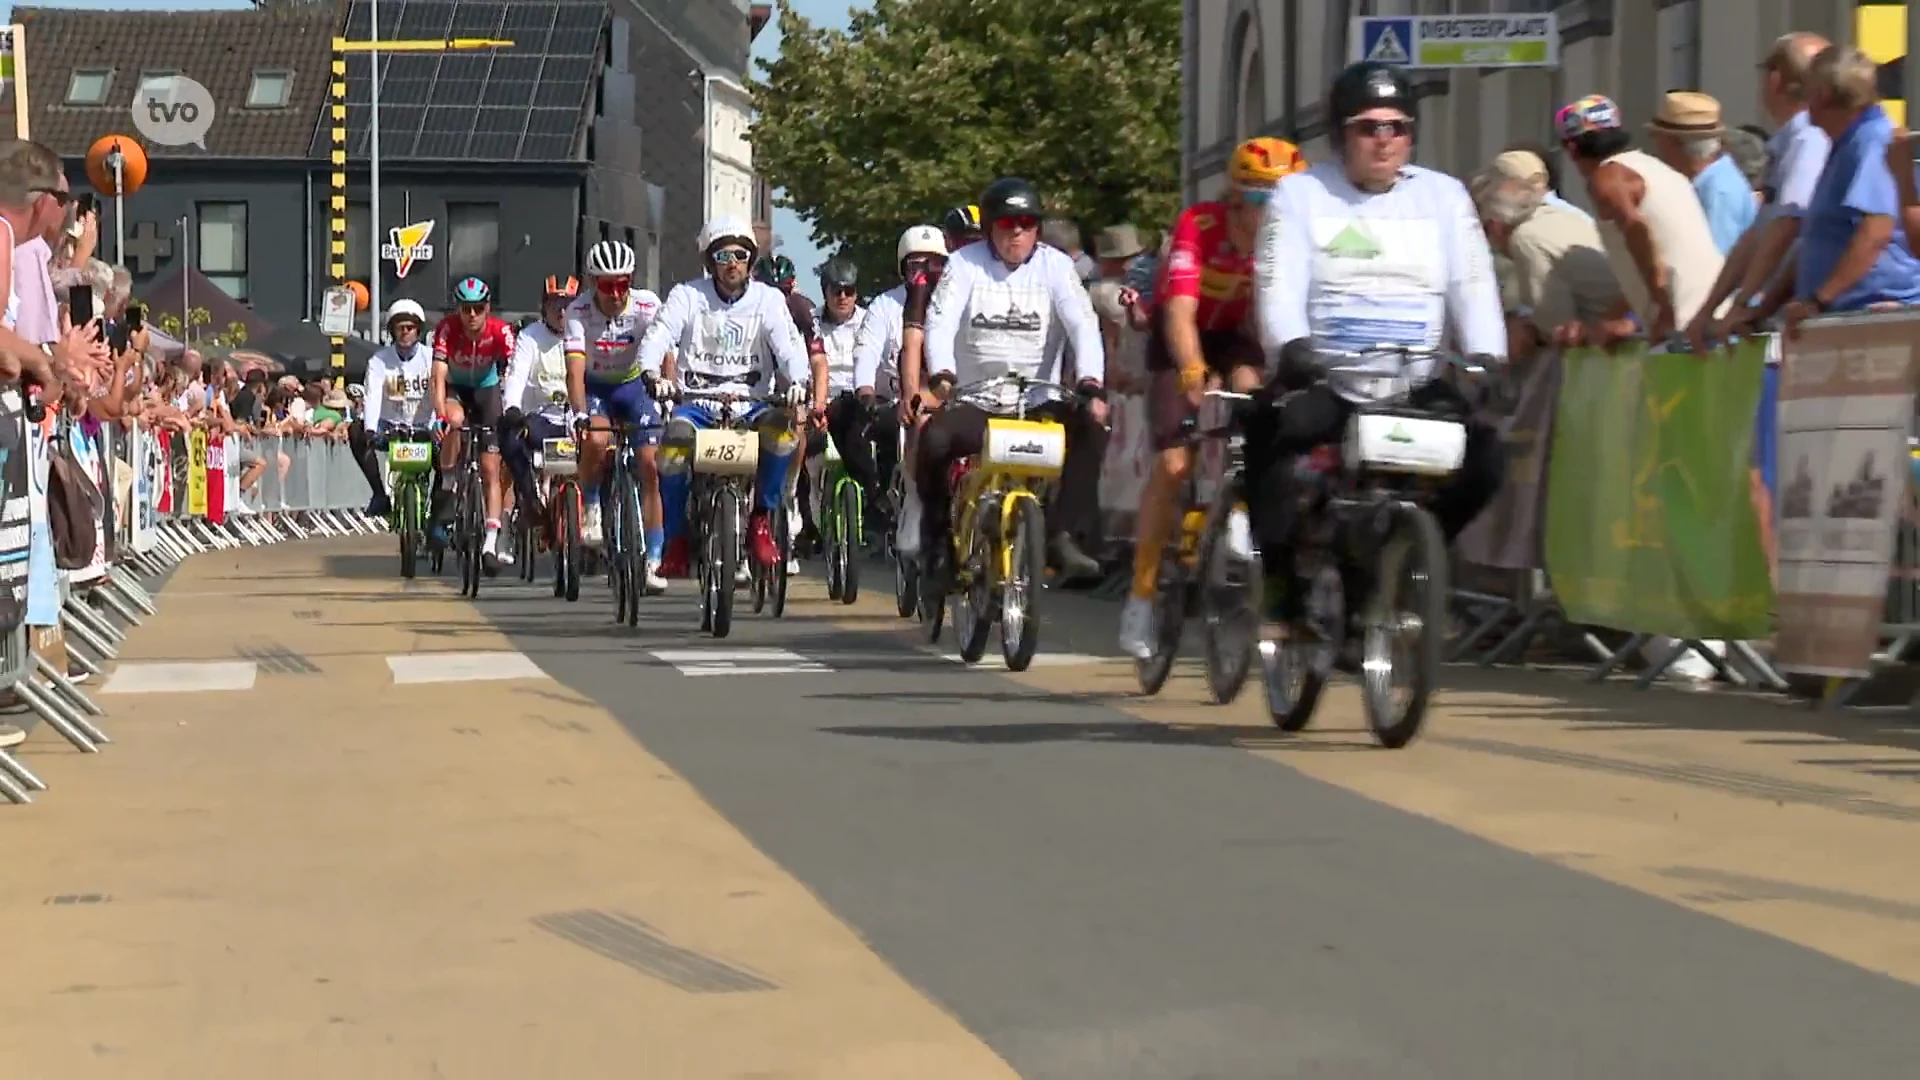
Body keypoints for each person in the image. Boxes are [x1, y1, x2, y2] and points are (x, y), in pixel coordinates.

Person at [1252, 61, 1506, 636]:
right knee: (1269, 438)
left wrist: (1489, 355)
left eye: (1398, 126)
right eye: (1369, 127)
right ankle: (1282, 592)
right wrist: (1290, 346)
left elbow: (1472, 282)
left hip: (1413, 378)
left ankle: (1411, 556)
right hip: (1329, 376)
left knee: (1486, 458)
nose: (1385, 139)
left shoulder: (1444, 197)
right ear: (1342, 133)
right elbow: (1277, 281)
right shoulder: (1300, 194)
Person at [1118, 136, 1306, 659]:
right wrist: (1192, 368)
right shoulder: (1200, 225)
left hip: (1240, 337)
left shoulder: (1294, 237)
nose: (1270, 212)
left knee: (1257, 401)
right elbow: (1178, 309)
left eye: (1282, 199)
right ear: (1235, 193)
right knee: (1175, 464)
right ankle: (1141, 594)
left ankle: (1240, 508)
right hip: (1184, 333)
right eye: (1260, 198)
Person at [913, 176, 1109, 585]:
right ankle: (936, 540)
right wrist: (943, 376)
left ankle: (1062, 534)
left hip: (1037, 400)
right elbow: (940, 321)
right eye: (1006, 224)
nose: (1016, 232)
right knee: (933, 440)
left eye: (1026, 223)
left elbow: (1083, 326)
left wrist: (1091, 383)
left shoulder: (1056, 266)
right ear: (990, 229)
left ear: (1037, 228)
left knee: (1092, 429)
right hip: (975, 399)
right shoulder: (965, 264)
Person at [638, 217, 818, 578]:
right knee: (672, 446)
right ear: (710, 262)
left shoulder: (769, 299)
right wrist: (651, 372)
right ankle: (675, 540)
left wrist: (799, 380)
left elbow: (789, 347)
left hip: (752, 404)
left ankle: (761, 521)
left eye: (740, 254)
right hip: (697, 403)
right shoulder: (687, 296)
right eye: (722, 255)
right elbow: (659, 335)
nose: (732, 262)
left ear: (751, 260)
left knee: (783, 434)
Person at [1687, 31, 1833, 349]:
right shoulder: (1788, 143)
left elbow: (1788, 226)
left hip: (1800, 319)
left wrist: (1742, 304)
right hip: (1777, 315)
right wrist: (1711, 310)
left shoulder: (1808, 141)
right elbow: (1756, 235)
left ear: (1775, 79)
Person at [1556, 93, 1725, 345]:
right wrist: (1609, 320)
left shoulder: (1607, 179)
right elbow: (1650, 256)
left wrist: (1664, 309)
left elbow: (1638, 230)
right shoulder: (1655, 168)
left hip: (1685, 323)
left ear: (1571, 149)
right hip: (1714, 311)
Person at [1779, 44, 1920, 332]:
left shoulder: (1871, 141)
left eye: (1806, 89)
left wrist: (1819, 301)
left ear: (1823, 94)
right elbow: (1821, 239)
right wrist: (1768, 306)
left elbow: (1876, 230)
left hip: (1871, 316)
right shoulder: (1847, 144)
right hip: (1847, 316)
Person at [563, 243, 667, 591]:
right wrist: (579, 412)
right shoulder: (577, 310)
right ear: (593, 283)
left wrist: (668, 389)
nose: (615, 293)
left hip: (634, 385)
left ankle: (653, 557)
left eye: (622, 284)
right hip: (596, 387)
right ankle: (591, 502)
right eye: (607, 286)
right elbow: (574, 371)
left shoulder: (648, 305)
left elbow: (666, 352)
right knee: (596, 437)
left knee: (651, 466)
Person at [853, 225, 947, 543]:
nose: (922, 273)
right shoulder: (885, 306)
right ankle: (895, 503)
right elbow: (866, 350)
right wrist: (865, 389)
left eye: (932, 264)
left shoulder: (954, 302)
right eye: (914, 264)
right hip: (897, 402)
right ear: (902, 268)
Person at [429, 275, 517, 572]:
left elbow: (512, 373)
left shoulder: (501, 331)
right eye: (466, 309)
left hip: (486, 390)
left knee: (492, 468)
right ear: (458, 310)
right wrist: (440, 413)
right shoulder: (447, 329)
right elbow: (438, 376)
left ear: (487, 307)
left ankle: (491, 542)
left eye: (478, 309)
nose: (472, 316)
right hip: (457, 388)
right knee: (455, 421)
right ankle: (450, 481)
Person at [1647, 92, 1758, 256]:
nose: (1656, 146)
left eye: (1657, 137)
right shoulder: (1708, 181)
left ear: (1674, 143)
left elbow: (1715, 261)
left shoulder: (1718, 191)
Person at [356, 299, 434, 515]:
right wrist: (370, 429)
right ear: (392, 331)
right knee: (355, 431)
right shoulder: (379, 361)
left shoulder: (431, 357)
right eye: (400, 328)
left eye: (410, 328)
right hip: (390, 427)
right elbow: (372, 396)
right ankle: (379, 495)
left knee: (448, 456)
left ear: (418, 330)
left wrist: (438, 423)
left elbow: (440, 392)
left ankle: (439, 515)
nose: (405, 333)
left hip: (425, 427)